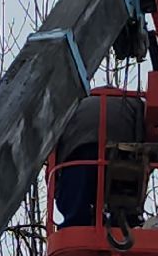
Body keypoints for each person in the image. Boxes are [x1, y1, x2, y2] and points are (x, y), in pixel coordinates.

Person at [54, 94, 146, 228]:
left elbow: (54, 149)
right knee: (127, 185)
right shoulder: (135, 103)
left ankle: (76, 222)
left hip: (78, 155)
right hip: (120, 157)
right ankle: (125, 220)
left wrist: (57, 185)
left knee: (76, 213)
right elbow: (149, 141)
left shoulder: (73, 105)